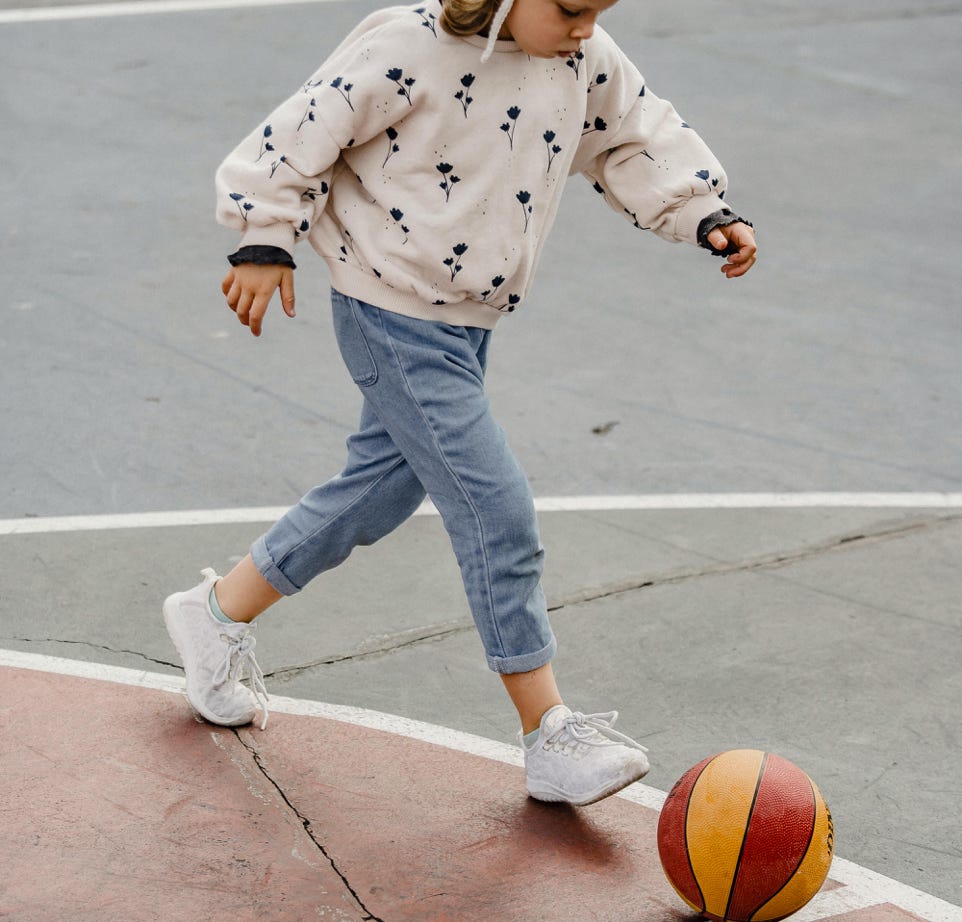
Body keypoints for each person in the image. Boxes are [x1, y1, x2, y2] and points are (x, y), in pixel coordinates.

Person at [163, 0, 757, 807]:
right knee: (495, 508)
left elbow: (634, 135)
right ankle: (548, 733)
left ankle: (215, 612)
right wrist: (265, 237)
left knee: (378, 490)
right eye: (572, 8)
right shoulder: (409, 46)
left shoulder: (582, 57)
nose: (586, 26)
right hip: (390, 311)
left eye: (600, 9)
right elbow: (299, 132)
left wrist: (702, 211)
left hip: (469, 320)